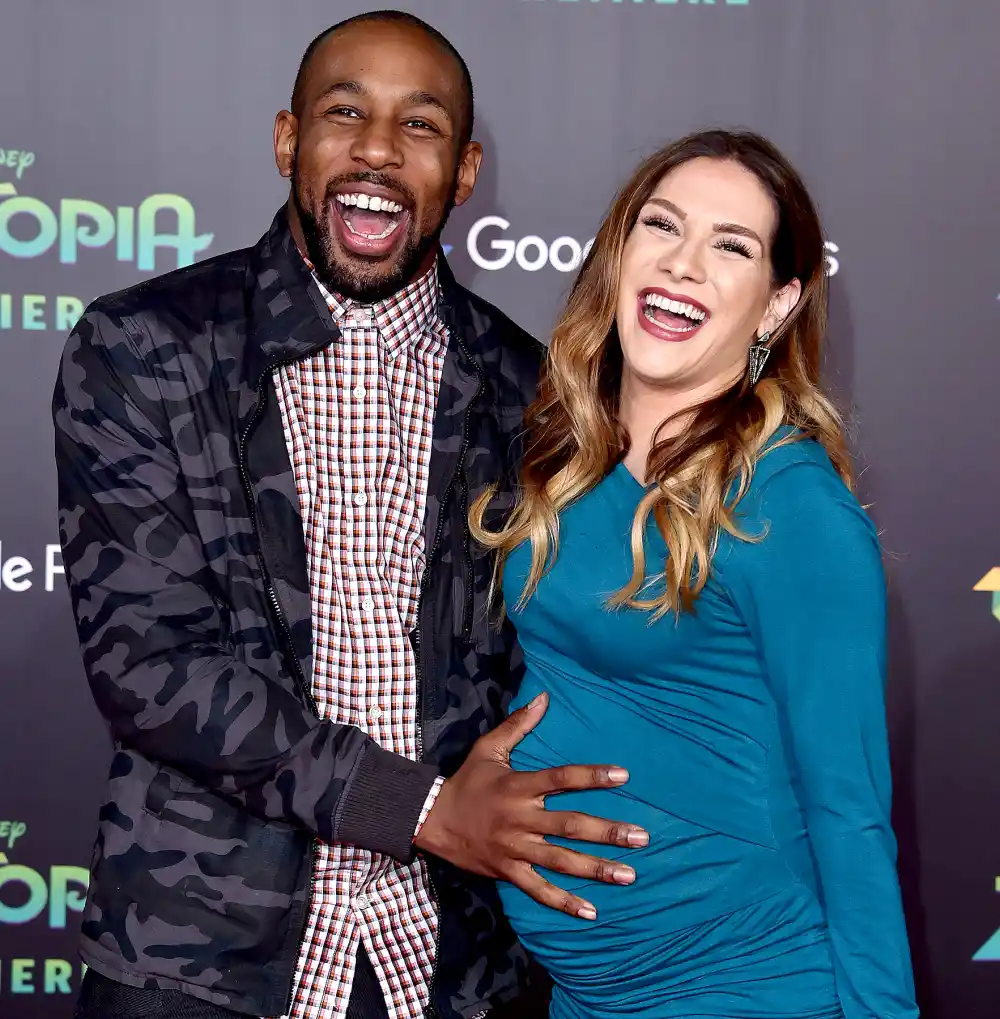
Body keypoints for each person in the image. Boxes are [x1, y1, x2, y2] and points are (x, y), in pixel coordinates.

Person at [53, 12, 648, 1019]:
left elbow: (556, 656)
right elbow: (150, 663)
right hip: (197, 967)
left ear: (463, 173)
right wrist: (417, 807)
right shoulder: (144, 347)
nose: (376, 147)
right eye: (344, 113)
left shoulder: (531, 392)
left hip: (454, 968)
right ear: (288, 140)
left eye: (419, 127)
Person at [471, 129, 920, 1019]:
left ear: (776, 305)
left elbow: (851, 812)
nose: (684, 265)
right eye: (663, 226)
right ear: (620, 252)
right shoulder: (568, 450)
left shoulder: (792, 508)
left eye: (731, 246)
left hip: (746, 986)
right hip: (587, 998)